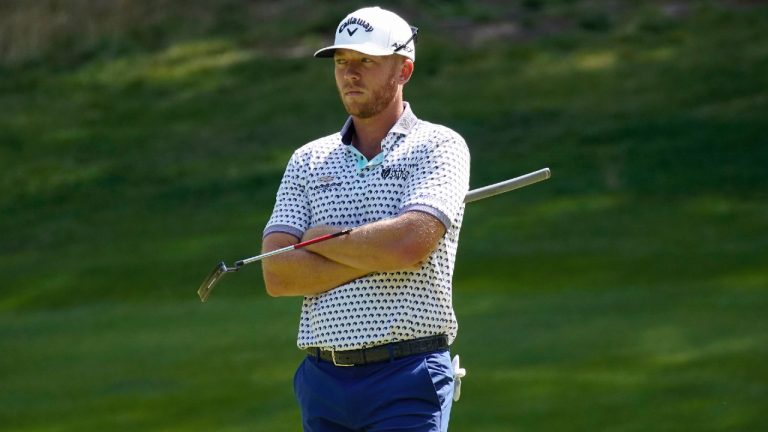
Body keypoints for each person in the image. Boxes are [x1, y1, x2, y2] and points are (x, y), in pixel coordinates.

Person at [260, 6, 470, 432]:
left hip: (407, 372)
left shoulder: (438, 145)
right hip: (322, 379)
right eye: (341, 63)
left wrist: (321, 240)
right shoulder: (309, 158)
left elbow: (410, 244)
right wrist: (374, 248)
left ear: (404, 70)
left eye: (366, 62)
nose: (350, 74)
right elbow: (278, 273)